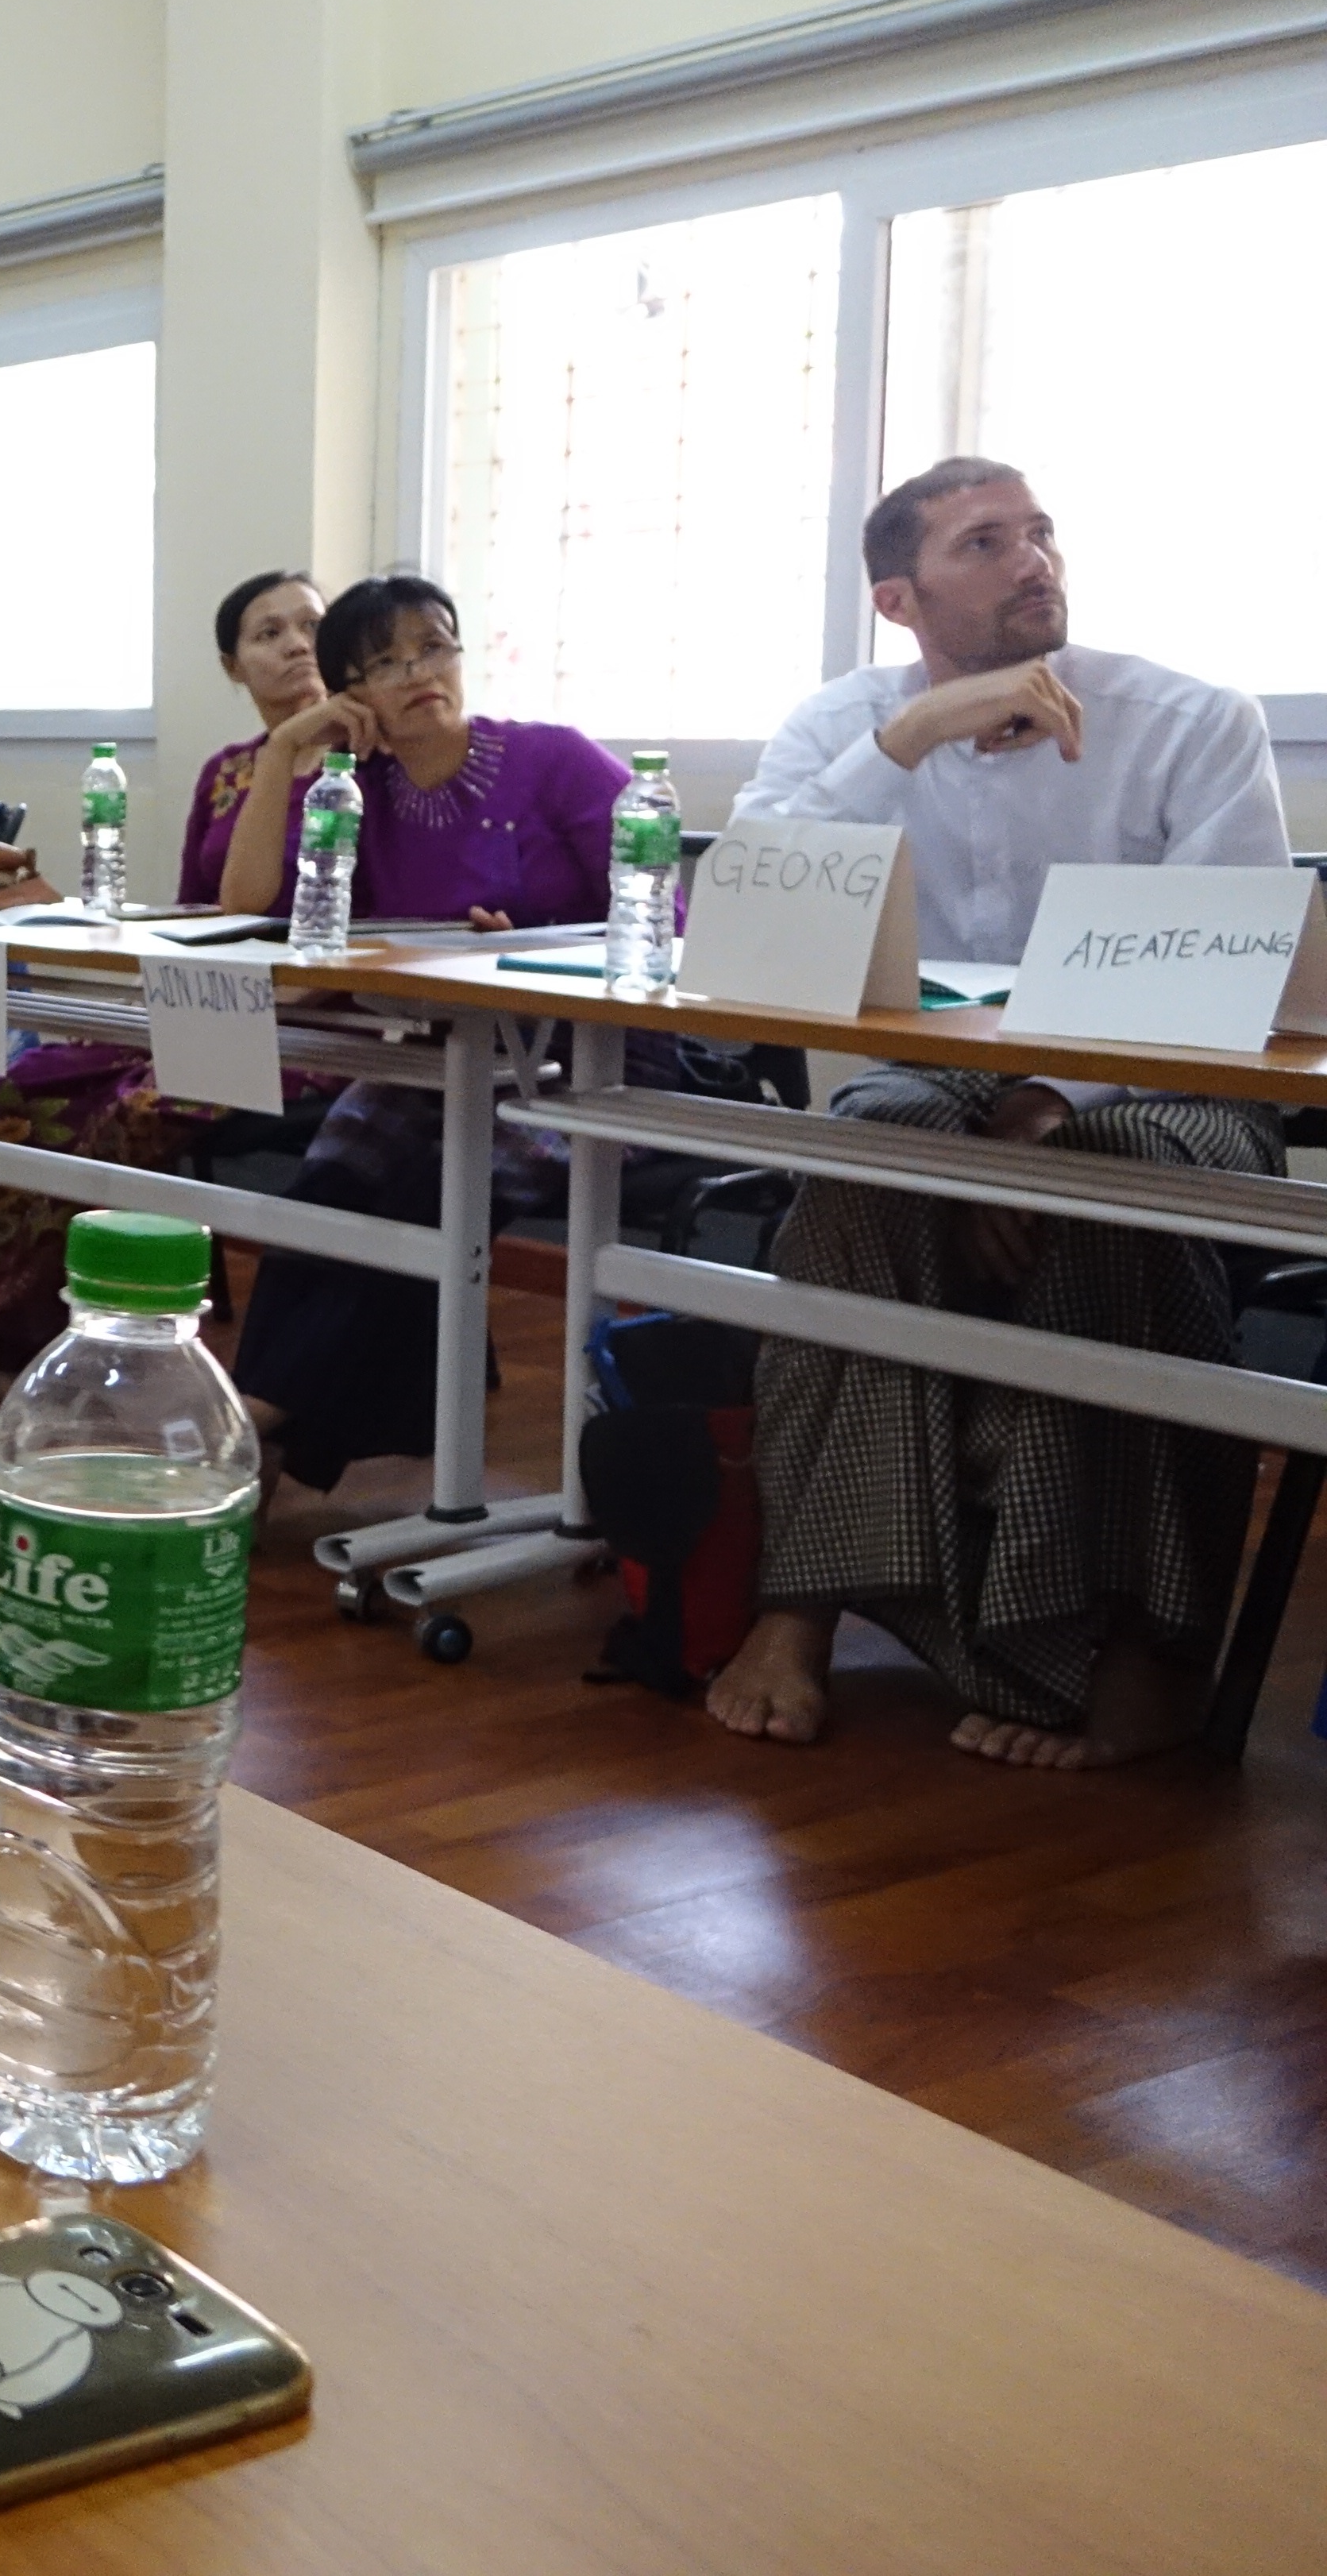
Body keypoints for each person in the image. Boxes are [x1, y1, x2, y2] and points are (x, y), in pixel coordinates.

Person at [705, 458, 1289, 1768]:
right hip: (933, 1079)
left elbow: (1224, 978)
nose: (1033, 560)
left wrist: (1041, 1106)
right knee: (865, 1155)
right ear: (898, 599)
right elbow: (748, 914)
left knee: (1109, 1173)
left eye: (1040, 533)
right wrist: (910, 738)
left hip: (1164, 1081)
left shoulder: (1189, 720)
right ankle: (799, 1608)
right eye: (985, 542)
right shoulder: (844, 724)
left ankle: (1141, 1650)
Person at [216, 574, 628, 1489]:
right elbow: (246, 906)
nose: (418, 674)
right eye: (386, 663)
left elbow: (663, 922)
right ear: (350, 694)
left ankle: (260, 1429)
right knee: (327, 1188)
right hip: (446, 1053)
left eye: (433, 648)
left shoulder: (554, 759)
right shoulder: (356, 791)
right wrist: (284, 749)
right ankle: (267, 1435)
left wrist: (539, 948)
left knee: (429, 1199)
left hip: (590, 1060)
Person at [0, 571, 334, 1389]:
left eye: (311, 625)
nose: (296, 645)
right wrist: (139, 1003)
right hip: (213, 1009)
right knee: (13, 1089)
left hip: (322, 1030)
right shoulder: (228, 773)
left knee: (127, 1111)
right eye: (269, 633)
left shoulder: (368, 764)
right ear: (233, 666)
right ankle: (5, 1349)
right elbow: (196, 913)